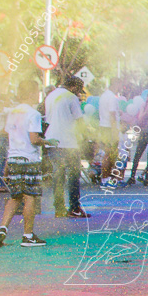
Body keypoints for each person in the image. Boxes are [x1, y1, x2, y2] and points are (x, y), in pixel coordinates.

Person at [0, 79, 55, 248]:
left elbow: (7, 134)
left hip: (13, 158)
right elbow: (34, 139)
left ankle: (2, 229)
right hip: (29, 159)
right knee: (30, 197)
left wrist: (6, 161)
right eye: (36, 91)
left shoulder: (13, 112)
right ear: (32, 93)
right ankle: (27, 235)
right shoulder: (32, 113)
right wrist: (48, 142)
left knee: (15, 197)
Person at [43, 76, 88, 218]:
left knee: (58, 175)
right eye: (78, 90)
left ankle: (59, 208)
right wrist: (84, 137)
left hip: (52, 140)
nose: (79, 94)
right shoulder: (71, 97)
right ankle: (74, 207)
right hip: (68, 142)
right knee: (73, 175)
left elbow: (49, 119)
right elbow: (79, 120)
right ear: (74, 87)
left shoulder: (51, 95)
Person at [97, 79, 121, 183]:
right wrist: (115, 130)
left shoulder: (104, 95)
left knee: (109, 153)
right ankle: (106, 178)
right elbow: (112, 115)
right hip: (109, 128)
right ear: (115, 84)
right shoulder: (112, 97)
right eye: (120, 85)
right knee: (109, 154)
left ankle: (107, 177)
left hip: (104, 126)